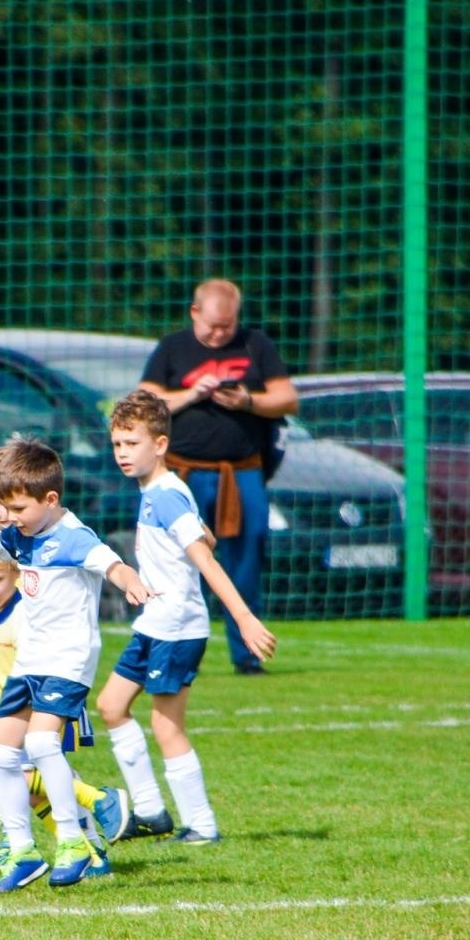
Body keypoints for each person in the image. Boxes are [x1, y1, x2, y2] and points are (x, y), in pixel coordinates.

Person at [0, 440, 154, 891]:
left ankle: (72, 843)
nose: (9, 517)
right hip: (30, 659)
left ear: (50, 499)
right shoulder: (19, 535)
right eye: (5, 508)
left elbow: (113, 564)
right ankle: (23, 851)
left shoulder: (74, 538)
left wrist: (132, 582)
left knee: (42, 743)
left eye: (18, 509)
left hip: (68, 659)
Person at [95, 391, 278, 845]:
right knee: (111, 706)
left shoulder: (167, 495)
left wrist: (244, 618)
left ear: (159, 445)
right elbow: (204, 538)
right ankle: (151, 812)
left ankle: (202, 824)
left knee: (166, 725)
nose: (122, 453)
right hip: (154, 622)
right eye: (117, 444)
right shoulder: (160, 491)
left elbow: (207, 560)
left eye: (132, 444)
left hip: (177, 627)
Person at [137, 278, 298, 675]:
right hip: (183, 474)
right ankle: (162, 650)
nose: (220, 334)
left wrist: (247, 400)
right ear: (194, 313)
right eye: (213, 326)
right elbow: (144, 402)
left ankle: (248, 654)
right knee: (173, 562)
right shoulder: (172, 348)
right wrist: (192, 393)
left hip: (242, 472)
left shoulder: (255, 344)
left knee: (246, 561)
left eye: (228, 326)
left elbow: (288, 399)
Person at [0, 524, 122, 877]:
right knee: (12, 772)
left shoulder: (28, 612)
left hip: (39, 700)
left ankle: (92, 809)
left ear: (17, 572)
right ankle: (78, 849)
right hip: (2, 703)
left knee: (28, 773)